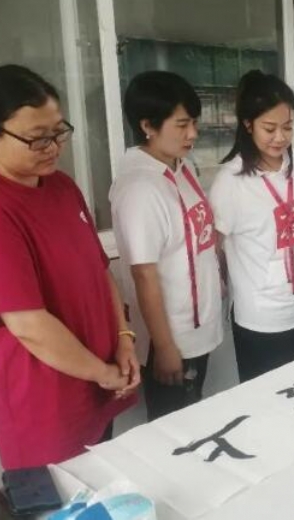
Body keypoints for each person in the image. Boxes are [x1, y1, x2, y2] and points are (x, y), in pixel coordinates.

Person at [0, 65, 139, 469]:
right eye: (36, 138)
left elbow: (99, 270)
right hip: (47, 410)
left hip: (99, 385)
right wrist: (102, 372)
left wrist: (123, 338)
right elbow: (29, 326)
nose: (52, 147)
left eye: (58, 132)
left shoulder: (61, 186)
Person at [110, 71, 224, 421]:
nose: (193, 134)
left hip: (196, 329)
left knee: (195, 418)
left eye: (194, 123)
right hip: (171, 339)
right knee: (175, 429)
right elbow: (144, 275)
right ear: (147, 125)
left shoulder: (180, 167)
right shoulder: (140, 189)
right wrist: (164, 347)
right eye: (182, 125)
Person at [209, 70, 294, 382]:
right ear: (248, 124)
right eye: (269, 128)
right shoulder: (230, 182)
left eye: (288, 127)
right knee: (267, 402)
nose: (280, 137)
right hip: (261, 318)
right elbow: (214, 248)